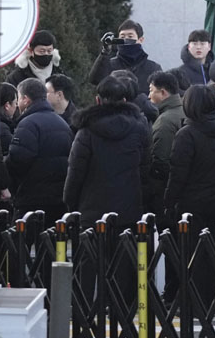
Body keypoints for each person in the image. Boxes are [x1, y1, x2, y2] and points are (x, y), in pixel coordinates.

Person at [65, 75, 151, 309]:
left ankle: (84, 306)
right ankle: (121, 307)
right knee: (123, 260)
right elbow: (145, 169)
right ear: (124, 99)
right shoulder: (139, 128)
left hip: (92, 207)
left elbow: (76, 171)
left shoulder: (86, 131)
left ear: (98, 100)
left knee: (89, 261)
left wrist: (70, 202)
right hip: (128, 207)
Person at [164, 85, 215, 308]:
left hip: (190, 203)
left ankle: (192, 302)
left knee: (191, 254)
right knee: (210, 252)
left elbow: (178, 173)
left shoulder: (187, 134)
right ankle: (210, 299)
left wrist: (170, 202)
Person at [5, 78, 73, 228]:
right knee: (50, 247)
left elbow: (18, 160)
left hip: (31, 200)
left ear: (25, 99)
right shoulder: (63, 124)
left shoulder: (27, 124)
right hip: (57, 201)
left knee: (19, 246)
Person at [148, 71, 185, 306]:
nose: (149, 94)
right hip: (185, 193)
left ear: (163, 92)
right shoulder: (183, 112)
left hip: (167, 195)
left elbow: (159, 160)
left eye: (151, 89)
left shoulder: (165, 121)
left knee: (171, 247)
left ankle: (172, 295)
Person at [88, 19, 162, 94]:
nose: (126, 40)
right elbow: (95, 80)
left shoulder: (153, 68)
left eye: (130, 37)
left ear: (140, 40)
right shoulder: (111, 64)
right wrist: (104, 52)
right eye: (122, 37)